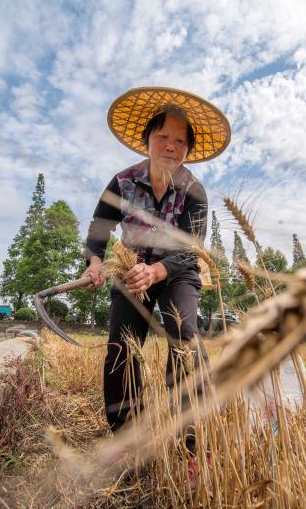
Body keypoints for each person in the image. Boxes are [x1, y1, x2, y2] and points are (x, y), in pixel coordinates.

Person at [81, 87, 231, 455]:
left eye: (180, 141)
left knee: (185, 335)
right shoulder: (123, 182)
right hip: (131, 269)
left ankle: (190, 433)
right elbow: (101, 226)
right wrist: (95, 262)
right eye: (163, 136)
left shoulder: (193, 191)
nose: (170, 146)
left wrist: (158, 271)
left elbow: (190, 248)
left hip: (177, 272)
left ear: (187, 150)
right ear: (147, 140)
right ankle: (126, 433)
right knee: (121, 349)